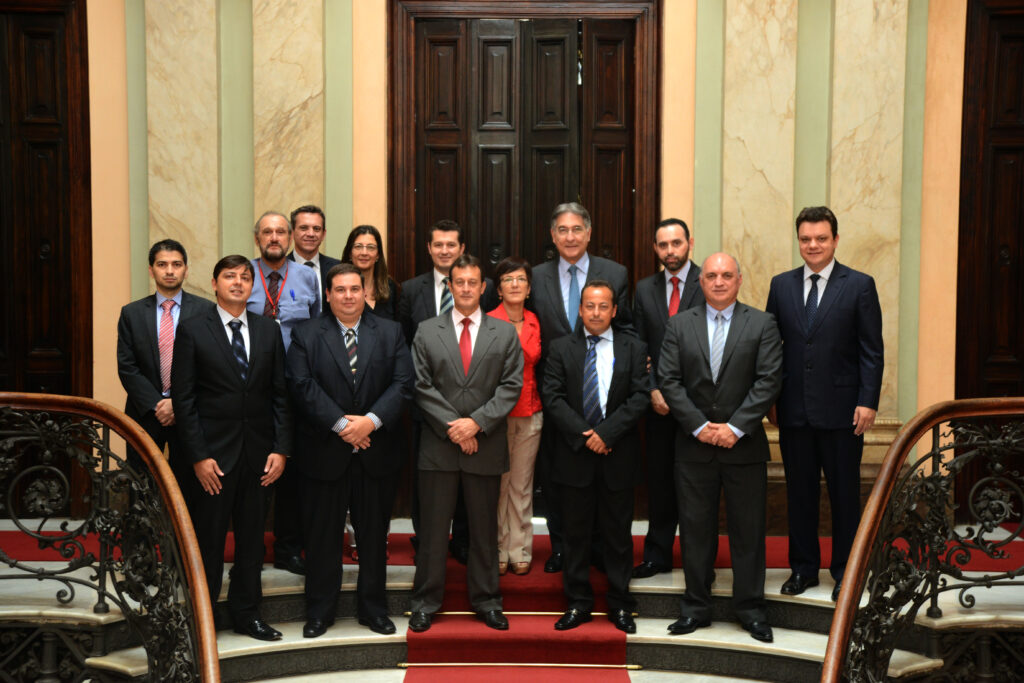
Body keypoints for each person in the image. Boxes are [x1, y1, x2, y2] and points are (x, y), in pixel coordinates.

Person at [659, 252, 782, 643]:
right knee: (696, 533)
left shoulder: (762, 324)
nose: (718, 281)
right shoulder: (679, 325)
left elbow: (768, 379)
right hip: (693, 448)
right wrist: (698, 426)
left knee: (748, 533)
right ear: (700, 282)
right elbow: (669, 380)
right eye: (711, 275)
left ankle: (751, 610)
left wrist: (735, 427)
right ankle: (695, 608)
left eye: (726, 275)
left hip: (743, 448)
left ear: (740, 280)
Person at [286, 263, 414, 638]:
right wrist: (344, 426)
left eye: (354, 289)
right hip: (325, 452)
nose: (347, 296)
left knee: (373, 537)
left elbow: (403, 383)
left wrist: (369, 422)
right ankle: (320, 612)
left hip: (376, 451)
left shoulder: (390, 332)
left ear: (365, 293)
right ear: (328, 295)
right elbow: (301, 385)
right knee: (322, 537)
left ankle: (373, 609)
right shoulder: (307, 334)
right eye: (339, 290)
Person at [765, 206, 883, 602]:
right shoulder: (780, 286)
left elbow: (871, 350)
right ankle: (803, 569)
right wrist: (770, 399)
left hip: (843, 412)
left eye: (820, 238)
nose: (812, 245)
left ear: (835, 239)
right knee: (799, 494)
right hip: (794, 411)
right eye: (805, 239)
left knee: (844, 495)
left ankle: (845, 574)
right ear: (798, 240)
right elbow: (770, 348)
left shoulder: (859, 285)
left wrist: (868, 401)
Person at [171, 254, 291, 642]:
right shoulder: (192, 329)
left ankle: (247, 614)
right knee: (208, 543)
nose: (238, 282)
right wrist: (198, 457)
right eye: (229, 277)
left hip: (260, 457)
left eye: (244, 277)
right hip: (212, 460)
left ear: (252, 285)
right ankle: (201, 619)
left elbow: (280, 395)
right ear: (215, 283)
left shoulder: (268, 330)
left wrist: (281, 448)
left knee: (253, 543)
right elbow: (184, 400)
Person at [407, 254, 523, 633]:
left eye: (474, 282)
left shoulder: (504, 332)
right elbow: (421, 386)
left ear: (483, 287)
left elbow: (510, 387)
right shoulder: (426, 330)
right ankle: (425, 602)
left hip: (484, 446)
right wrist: (454, 428)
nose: (467, 288)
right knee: (434, 533)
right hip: (438, 448)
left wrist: (476, 424)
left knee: (483, 532)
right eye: (460, 282)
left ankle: (487, 601)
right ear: (451, 286)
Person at [529, 202, 633, 573]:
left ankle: (602, 549)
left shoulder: (615, 273)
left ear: (589, 233)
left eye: (577, 230)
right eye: (562, 230)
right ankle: (562, 548)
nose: (570, 237)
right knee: (558, 476)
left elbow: (627, 328)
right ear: (552, 236)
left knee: (606, 480)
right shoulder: (536, 276)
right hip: (554, 396)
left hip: (604, 393)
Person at [543, 280, 649, 634]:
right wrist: (585, 435)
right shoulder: (560, 349)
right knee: (575, 535)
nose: (596, 312)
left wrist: (606, 433)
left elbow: (639, 397)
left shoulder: (634, 347)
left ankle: (620, 605)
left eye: (603, 306)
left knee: (618, 536)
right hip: (575, 457)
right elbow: (553, 397)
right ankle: (578, 603)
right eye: (589, 306)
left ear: (615, 310)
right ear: (580, 309)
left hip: (617, 454)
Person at [397, 219, 497, 562]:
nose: (444, 250)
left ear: (462, 248)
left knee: (470, 478)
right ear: (429, 248)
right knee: (427, 481)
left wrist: (470, 419)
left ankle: (464, 542)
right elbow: (405, 345)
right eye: (438, 245)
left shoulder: (487, 285)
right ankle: (427, 541)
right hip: (427, 406)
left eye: (451, 245)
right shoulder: (410, 290)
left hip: (474, 406)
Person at [632, 219, 705, 578]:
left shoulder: (710, 281)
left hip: (700, 406)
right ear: (655, 248)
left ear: (690, 243)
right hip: (659, 405)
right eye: (663, 245)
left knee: (696, 487)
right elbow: (638, 346)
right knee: (660, 482)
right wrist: (652, 389)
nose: (670, 251)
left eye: (676, 243)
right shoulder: (644, 290)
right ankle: (657, 556)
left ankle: (697, 559)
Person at [248, 210, 319, 576]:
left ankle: (289, 548)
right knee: (254, 470)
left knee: (291, 473)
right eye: (267, 232)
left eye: (280, 232)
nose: (274, 238)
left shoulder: (308, 277)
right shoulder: (243, 273)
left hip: (295, 386)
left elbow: (317, 328)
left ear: (290, 238)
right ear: (257, 237)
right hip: (253, 387)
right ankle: (251, 546)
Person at [116, 239, 211, 500]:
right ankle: (142, 542)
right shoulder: (132, 313)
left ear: (186, 270)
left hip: (190, 414)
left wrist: (177, 404)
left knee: (190, 486)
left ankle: (185, 542)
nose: (169, 270)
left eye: (176, 264)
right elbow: (127, 367)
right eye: (162, 264)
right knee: (140, 485)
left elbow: (210, 367)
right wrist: (158, 404)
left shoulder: (206, 311)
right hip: (145, 413)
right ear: (151, 270)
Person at [487, 257, 543, 576]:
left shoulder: (536, 320)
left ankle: (519, 547)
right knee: (499, 484)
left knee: (522, 484)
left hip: (531, 411)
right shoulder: (488, 321)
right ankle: (498, 544)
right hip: (497, 414)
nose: (515, 284)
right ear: (498, 289)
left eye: (521, 279)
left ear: (529, 287)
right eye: (508, 279)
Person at [287, 204, 341, 313]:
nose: (310, 234)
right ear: (292, 232)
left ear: (323, 234)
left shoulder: (338, 268)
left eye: (316, 229)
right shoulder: (280, 268)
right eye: (304, 228)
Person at [341, 225, 400, 320]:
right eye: (358, 246)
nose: (364, 253)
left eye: (371, 247)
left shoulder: (390, 287)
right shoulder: (337, 287)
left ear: (378, 255)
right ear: (350, 253)